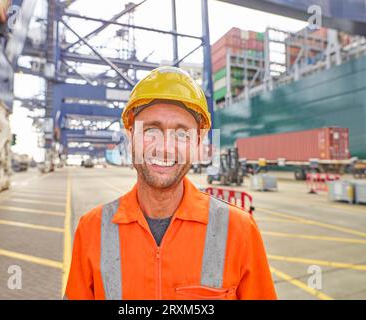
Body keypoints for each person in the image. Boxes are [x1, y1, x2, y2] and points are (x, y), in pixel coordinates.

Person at [64, 66, 277, 300]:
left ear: (197, 143)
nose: (165, 148)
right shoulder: (91, 230)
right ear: (129, 137)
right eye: (151, 130)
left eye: (182, 134)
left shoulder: (240, 230)